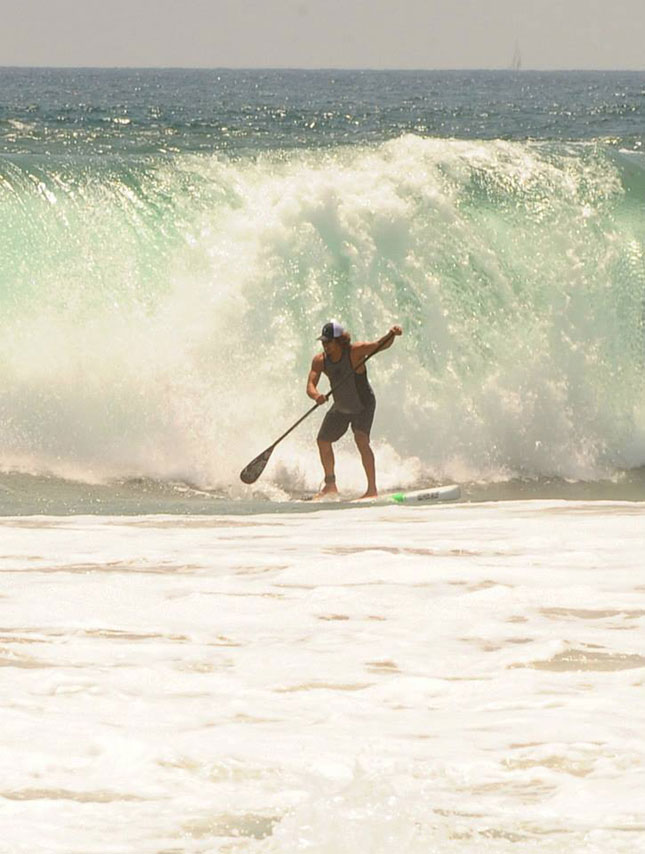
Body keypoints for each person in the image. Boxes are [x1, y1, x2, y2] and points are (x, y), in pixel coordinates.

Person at [306, 320, 403, 499]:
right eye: (323, 342)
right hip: (342, 406)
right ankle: (330, 485)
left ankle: (372, 490)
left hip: (363, 404)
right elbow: (310, 385)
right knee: (323, 441)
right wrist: (316, 396)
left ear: (339, 340)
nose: (325, 345)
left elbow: (380, 345)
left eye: (329, 341)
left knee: (361, 439)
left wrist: (392, 334)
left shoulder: (355, 352)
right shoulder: (320, 361)